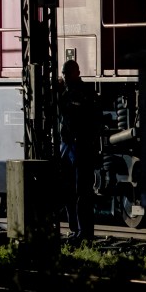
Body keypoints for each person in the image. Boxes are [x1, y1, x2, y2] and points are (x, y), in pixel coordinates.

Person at [58, 59, 99, 245]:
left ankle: (84, 231)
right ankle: (76, 229)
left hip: (80, 146)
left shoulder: (85, 93)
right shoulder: (66, 92)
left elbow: (91, 119)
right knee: (69, 190)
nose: (65, 76)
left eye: (67, 73)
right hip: (68, 146)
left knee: (82, 191)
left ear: (77, 73)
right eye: (63, 73)